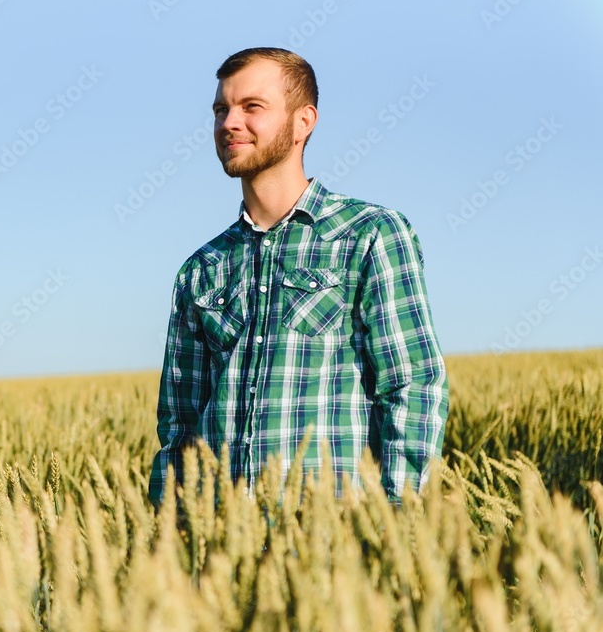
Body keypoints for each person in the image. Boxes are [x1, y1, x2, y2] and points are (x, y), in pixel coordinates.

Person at [148, 47, 449, 510]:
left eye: (252, 107)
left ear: (303, 121)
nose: (229, 122)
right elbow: (179, 426)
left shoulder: (369, 235)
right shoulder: (200, 269)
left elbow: (412, 388)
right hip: (220, 551)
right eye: (221, 109)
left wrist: (396, 529)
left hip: (334, 547)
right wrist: (168, 538)